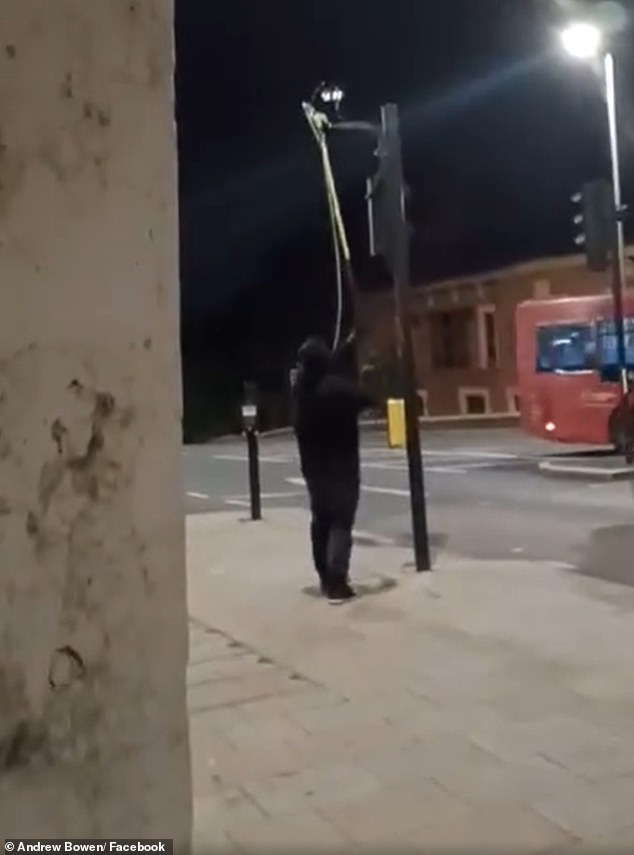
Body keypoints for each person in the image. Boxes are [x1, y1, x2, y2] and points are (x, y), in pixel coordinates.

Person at [292, 335, 373, 604]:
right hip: (343, 467)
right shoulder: (337, 390)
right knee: (341, 521)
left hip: (314, 470)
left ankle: (325, 576)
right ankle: (338, 581)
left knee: (321, 521)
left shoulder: (302, 392)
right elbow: (366, 397)